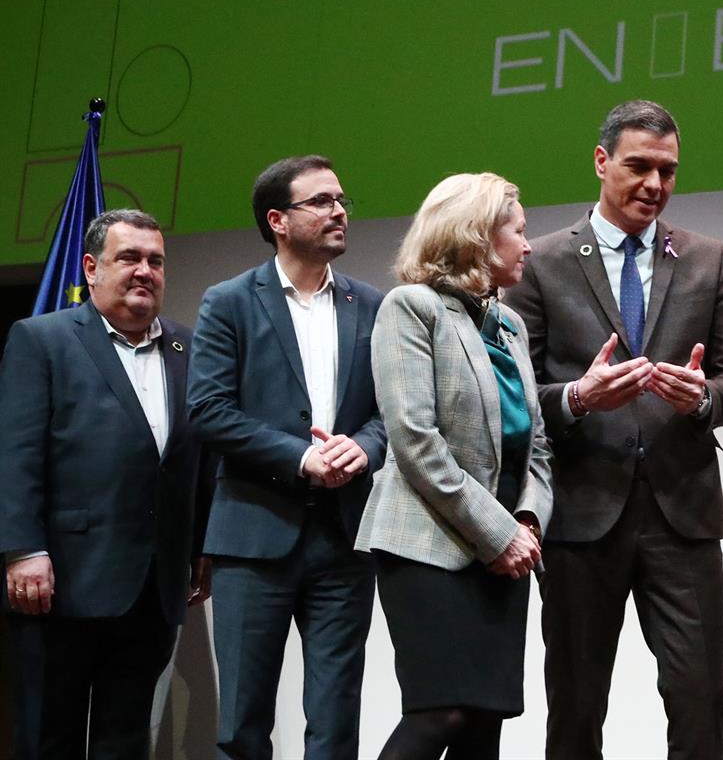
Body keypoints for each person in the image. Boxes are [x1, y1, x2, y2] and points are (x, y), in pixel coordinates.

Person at [503, 99, 723, 760]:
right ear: (601, 161)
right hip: (581, 513)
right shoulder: (540, 261)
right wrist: (578, 398)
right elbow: (512, 394)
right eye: (639, 166)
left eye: (668, 171)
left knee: (700, 694)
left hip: (684, 512)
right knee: (577, 700)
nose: (655, 185)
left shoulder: (707, 258)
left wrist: (702, 399)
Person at [187, 155, 387, 760]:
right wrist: (301, 459)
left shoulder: (372, 304)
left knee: (335, 722)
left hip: (344, 539)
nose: (339, 211)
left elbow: (389, 414)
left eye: (342, 199)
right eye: (321, 201)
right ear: (278, 220)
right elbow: (208, 410)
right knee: (244, 723)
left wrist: (366, 448)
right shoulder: (229, 302)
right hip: (253, 537)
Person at [0, 209, 212, 759]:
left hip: (153, 586)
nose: (145, 271)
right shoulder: (42, 340)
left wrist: (199, 548)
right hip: (61, 581)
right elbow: (16, 453)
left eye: (156, 261)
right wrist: (23, 550)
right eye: (130, 258)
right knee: (50, 735)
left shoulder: (190, 349)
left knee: (126, 738)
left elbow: (198, 458)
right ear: (91, 268)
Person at [355, 172, 552, 760]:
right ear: (478, 237)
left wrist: (528, 522)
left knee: (483, 725)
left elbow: (535, 443)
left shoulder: (509, 324)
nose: (528, 244)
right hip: (428, 546)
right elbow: (415, 440)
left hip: (506, 552)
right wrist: (498, 534)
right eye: (518, 231)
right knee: (439, 712)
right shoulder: (411, 308)